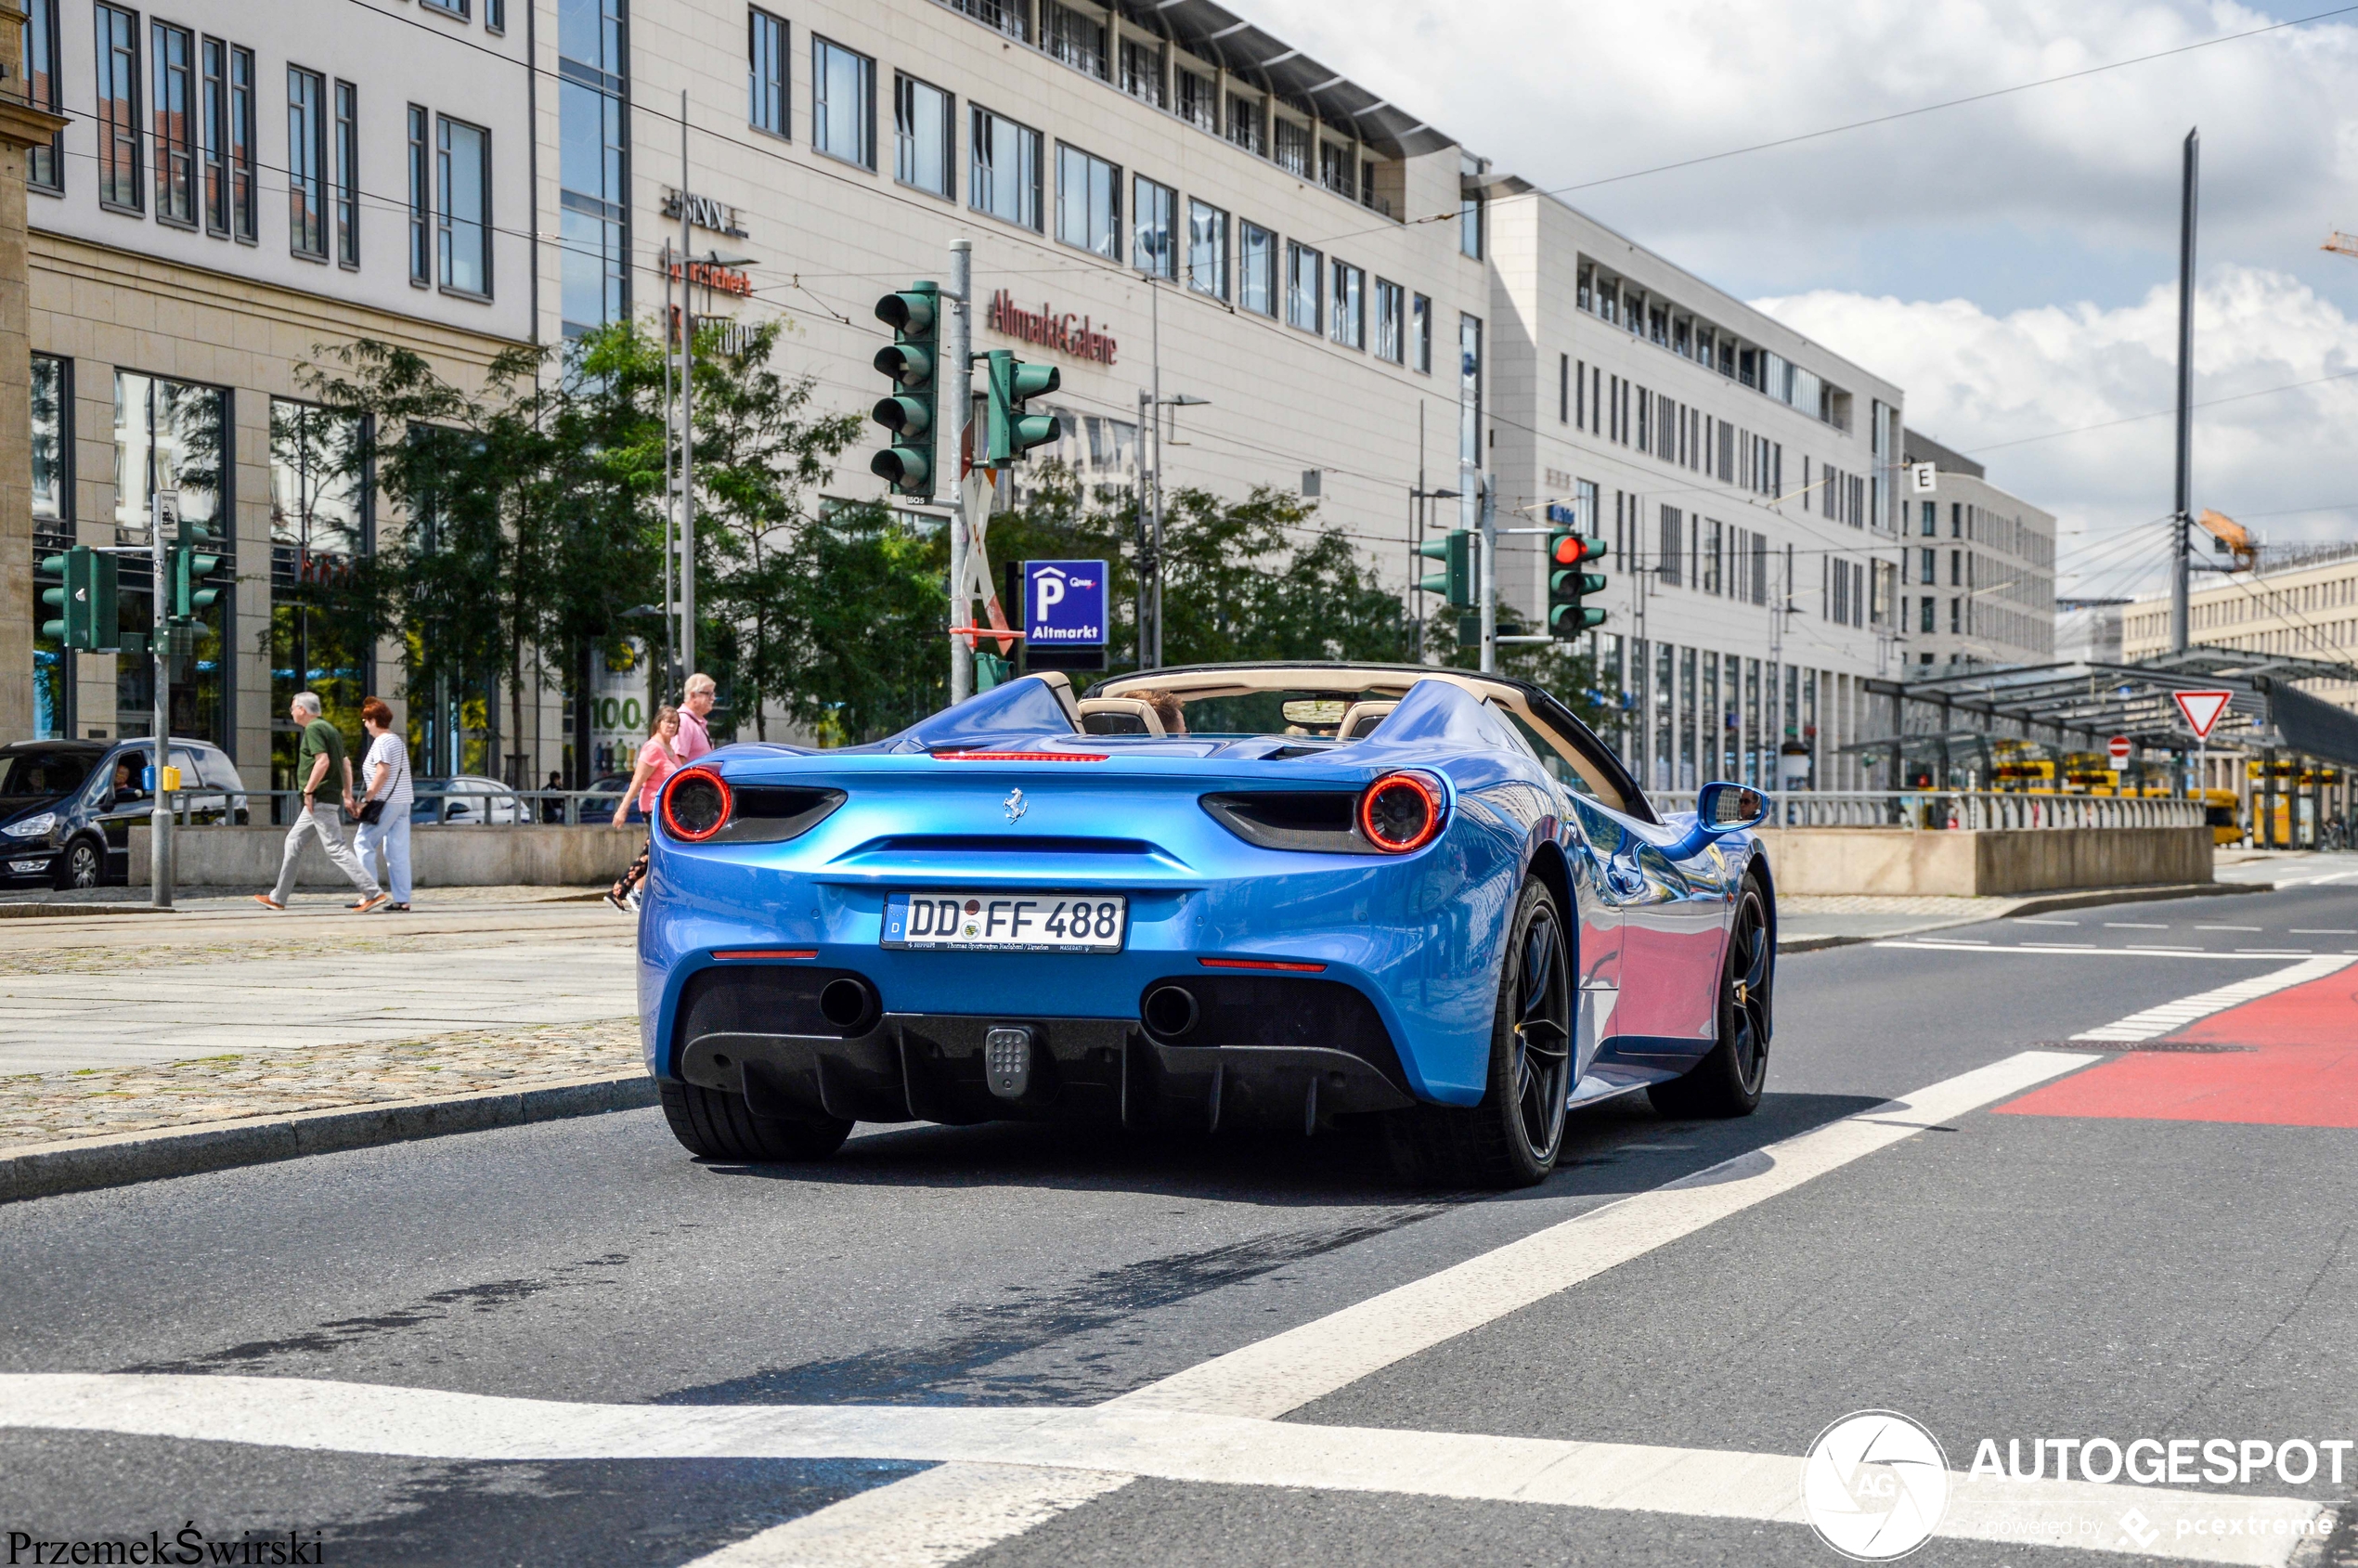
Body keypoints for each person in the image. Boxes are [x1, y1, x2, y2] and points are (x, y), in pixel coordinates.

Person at [255, 693, 385, 913]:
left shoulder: (314, 729)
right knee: (293, 841)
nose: (291, 712)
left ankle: (372, 892)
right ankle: (278, 897)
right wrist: (346, 795)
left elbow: (322, 762)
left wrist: (309, 790)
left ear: (302, 710)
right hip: (324, 798)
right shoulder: (330, 729)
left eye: (292, 708)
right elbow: (345, 764)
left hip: (319, 799)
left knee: (335, 847)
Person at [608, 706, 682, 912]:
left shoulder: (669, 749)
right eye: (667, 721)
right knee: (654, 852)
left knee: (655, 852)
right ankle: (626, 891)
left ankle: (622, 891)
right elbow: (637, 780)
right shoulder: (653, 748)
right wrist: (623, 808)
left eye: (675, 722)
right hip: (653, 806)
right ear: (657, 723)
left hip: (667, 807)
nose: (671, 725)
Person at [346, 697, 415, 913]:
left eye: (366, 720)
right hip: (403, 802)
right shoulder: (396, 740)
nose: (365, 725)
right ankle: (402, 899)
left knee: (363, 842)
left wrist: (366, 800)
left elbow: (382, 773)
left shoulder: (383, 742)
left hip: (386, 802)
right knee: (397, 851)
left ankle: (370, 893)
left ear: (374, 720)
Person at [677, 673, 718, 763]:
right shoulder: (683, 722)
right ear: (693, 696)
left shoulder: (696, 722)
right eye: (708, 694)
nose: (713, 698)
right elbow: (678, 761)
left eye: (713, 694)